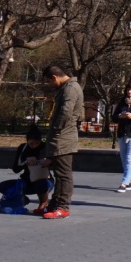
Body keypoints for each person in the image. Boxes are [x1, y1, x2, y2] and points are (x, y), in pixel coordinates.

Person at [40, 65, 84, 220]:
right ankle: (54, 205)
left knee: (64, 174)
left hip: (63, 138)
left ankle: (63, 207)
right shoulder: (68, 87)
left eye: (49, 81)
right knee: (59, 173)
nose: (50, 85)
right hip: (62, 137)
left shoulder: (70, 89)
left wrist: (56, 128)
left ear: (54, 77)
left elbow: (66, 111)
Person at [0, 125, 54, 215]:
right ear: (27, 141)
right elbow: (16, 169)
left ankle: (43, 202)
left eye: (37, 143)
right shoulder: (23, 148)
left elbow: (56, 164)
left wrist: (47, 162)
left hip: (43, 180)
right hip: (26, 180)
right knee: (2, 186)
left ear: (41, 141)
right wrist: (25, 161)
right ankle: (21, 199)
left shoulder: (45, 148)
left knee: (41, 183)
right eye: (31, 143)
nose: (34, 146)